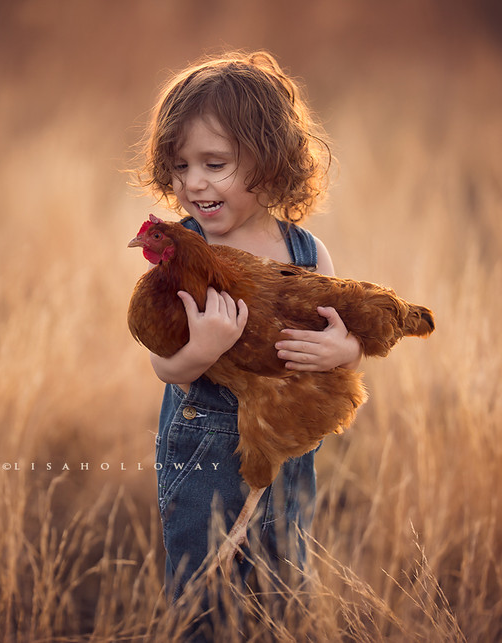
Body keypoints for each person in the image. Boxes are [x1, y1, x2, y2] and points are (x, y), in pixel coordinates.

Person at [136, 51, 361, 611]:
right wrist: (201, 349)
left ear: (270, 163)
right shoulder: (186, 253)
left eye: (215, 164)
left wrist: (344, 349)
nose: (194, 183)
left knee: (283, 585)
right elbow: (164, 368)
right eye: (181, 166)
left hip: (285, 452)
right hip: (202, 450)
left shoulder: (305, 252)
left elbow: (345, 337)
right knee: (202, 588)